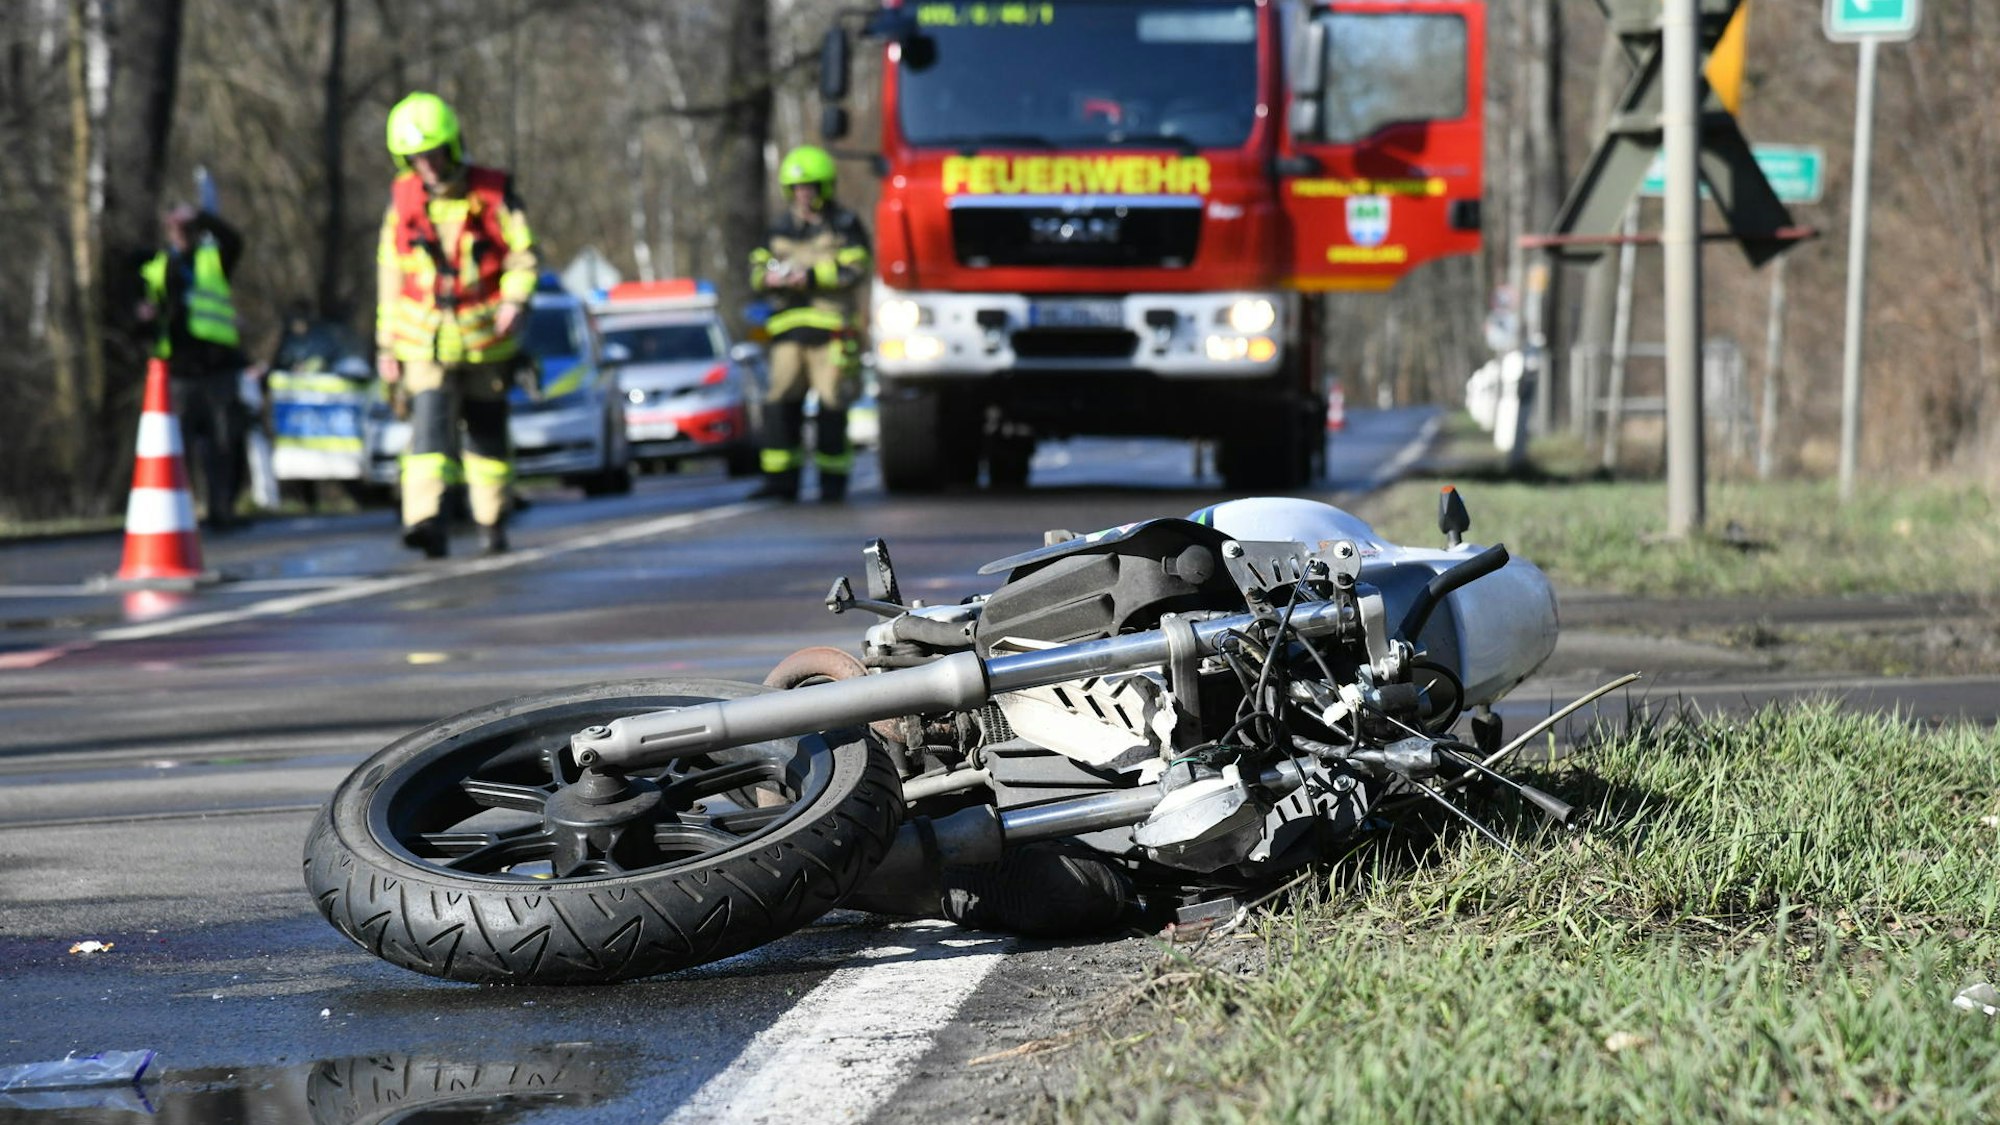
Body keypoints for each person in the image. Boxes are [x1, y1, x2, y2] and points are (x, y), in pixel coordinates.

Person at [376, 90, 538, 558]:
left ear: (451, 146)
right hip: (422, 342)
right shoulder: (401, 202)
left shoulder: (493, 194)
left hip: (487, 341)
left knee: (486, 434)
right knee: (428, 433)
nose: (424, 165)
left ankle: (492, 520)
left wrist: (515, 299)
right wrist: (386, 347)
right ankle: (427, 521)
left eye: (431, 153)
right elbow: (390, 276)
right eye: (414, 157)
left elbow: (524, 257)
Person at [748, 145, 872, 503]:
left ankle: (832, 483)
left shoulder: (844, 226)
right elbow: (756, 268)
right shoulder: (778, 229)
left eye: (811, 187)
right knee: (779, 402)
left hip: (832, 332)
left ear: (824, 188)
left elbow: (856, 267)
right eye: (798, 188)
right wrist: (767, 279)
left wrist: (813, 276)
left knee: (833, 404)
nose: (804, 194)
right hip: (788, 332)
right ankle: (780, 481)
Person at [138, 204, 249, 531]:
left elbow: (234, 240)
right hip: (179, 372)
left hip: (218, 367)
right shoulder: (159, 267)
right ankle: (180, 513)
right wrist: (142, 318)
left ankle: (222, 508)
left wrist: (202, 215)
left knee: (224, 443)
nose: (181, 235)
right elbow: (146, 316)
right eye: (176, 229)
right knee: (177, 447)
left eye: (186, 229)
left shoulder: (213, 259)